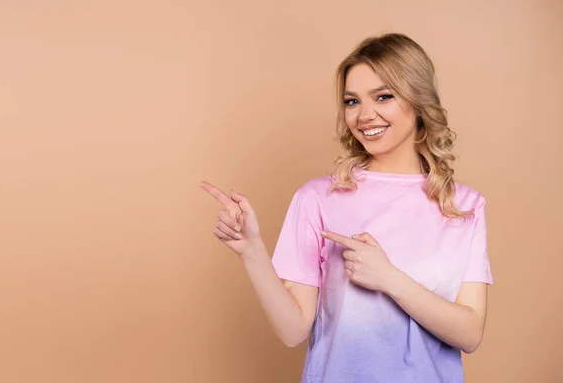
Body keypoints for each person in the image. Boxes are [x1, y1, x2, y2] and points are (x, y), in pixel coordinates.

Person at [200, 33, 493, 383]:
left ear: (418, 101)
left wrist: (390, 279)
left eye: (383, 96)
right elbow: (293, 331)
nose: (365, 115)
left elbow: (470, 333)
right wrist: (251, 251)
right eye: (352, 101)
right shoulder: (318, 198)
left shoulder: (464, 206)